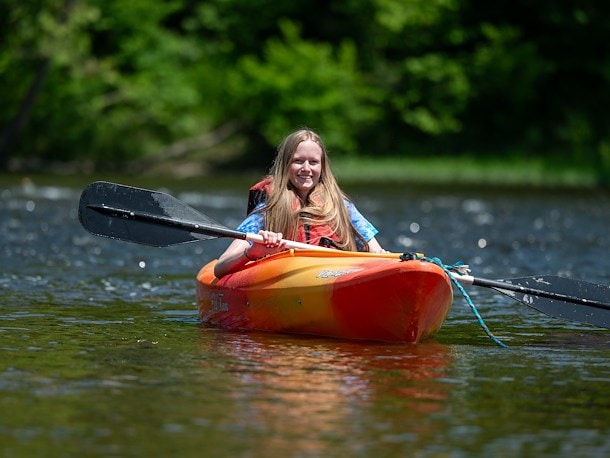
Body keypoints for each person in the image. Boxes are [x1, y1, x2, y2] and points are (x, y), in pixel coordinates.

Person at [214, 128, 385, 278]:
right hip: (289, 281)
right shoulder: (268, 209)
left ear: (322, 167)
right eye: (298, 161)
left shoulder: (342, 207)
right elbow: (220, 267)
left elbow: (377, 252)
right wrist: (252, 253)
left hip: (337, 275)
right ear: (285, 165)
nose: (306, 168)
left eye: (313, 162)